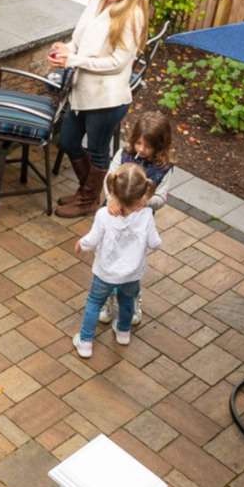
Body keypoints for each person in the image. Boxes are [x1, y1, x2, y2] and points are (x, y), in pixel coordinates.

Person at [49, 0, 150, 219]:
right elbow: (80, 38)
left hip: (107, 99)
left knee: (96, 150)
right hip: (82, 90)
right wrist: (66, 49)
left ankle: (86, 200)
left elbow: (118, 62)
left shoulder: (132, 16)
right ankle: (89, 193)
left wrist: (74, 60)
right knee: (68, 140)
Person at [72, 163, 162, 359]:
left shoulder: (104, 215)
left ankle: (85, 342)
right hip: (132, 274)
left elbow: (92, 240)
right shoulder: (147, 215)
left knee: (94, 303)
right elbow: (156, 243)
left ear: (113, 191)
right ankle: (123, 333)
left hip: (105, 273)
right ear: (142, 195)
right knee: (127, 300)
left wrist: (81, 244)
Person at [97, 110, 174, 326]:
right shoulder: (123, 154)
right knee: (108, 258)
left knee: (131, 264)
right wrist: (112, 198)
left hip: (138, 226)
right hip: (113, 218)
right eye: (139, 143)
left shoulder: (164, 169)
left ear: (160, 146)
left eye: (148, 146)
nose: (141, 149)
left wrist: (145, 202)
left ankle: (131, 300)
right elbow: (109, 178)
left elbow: (161, 197)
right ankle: (106, 298)